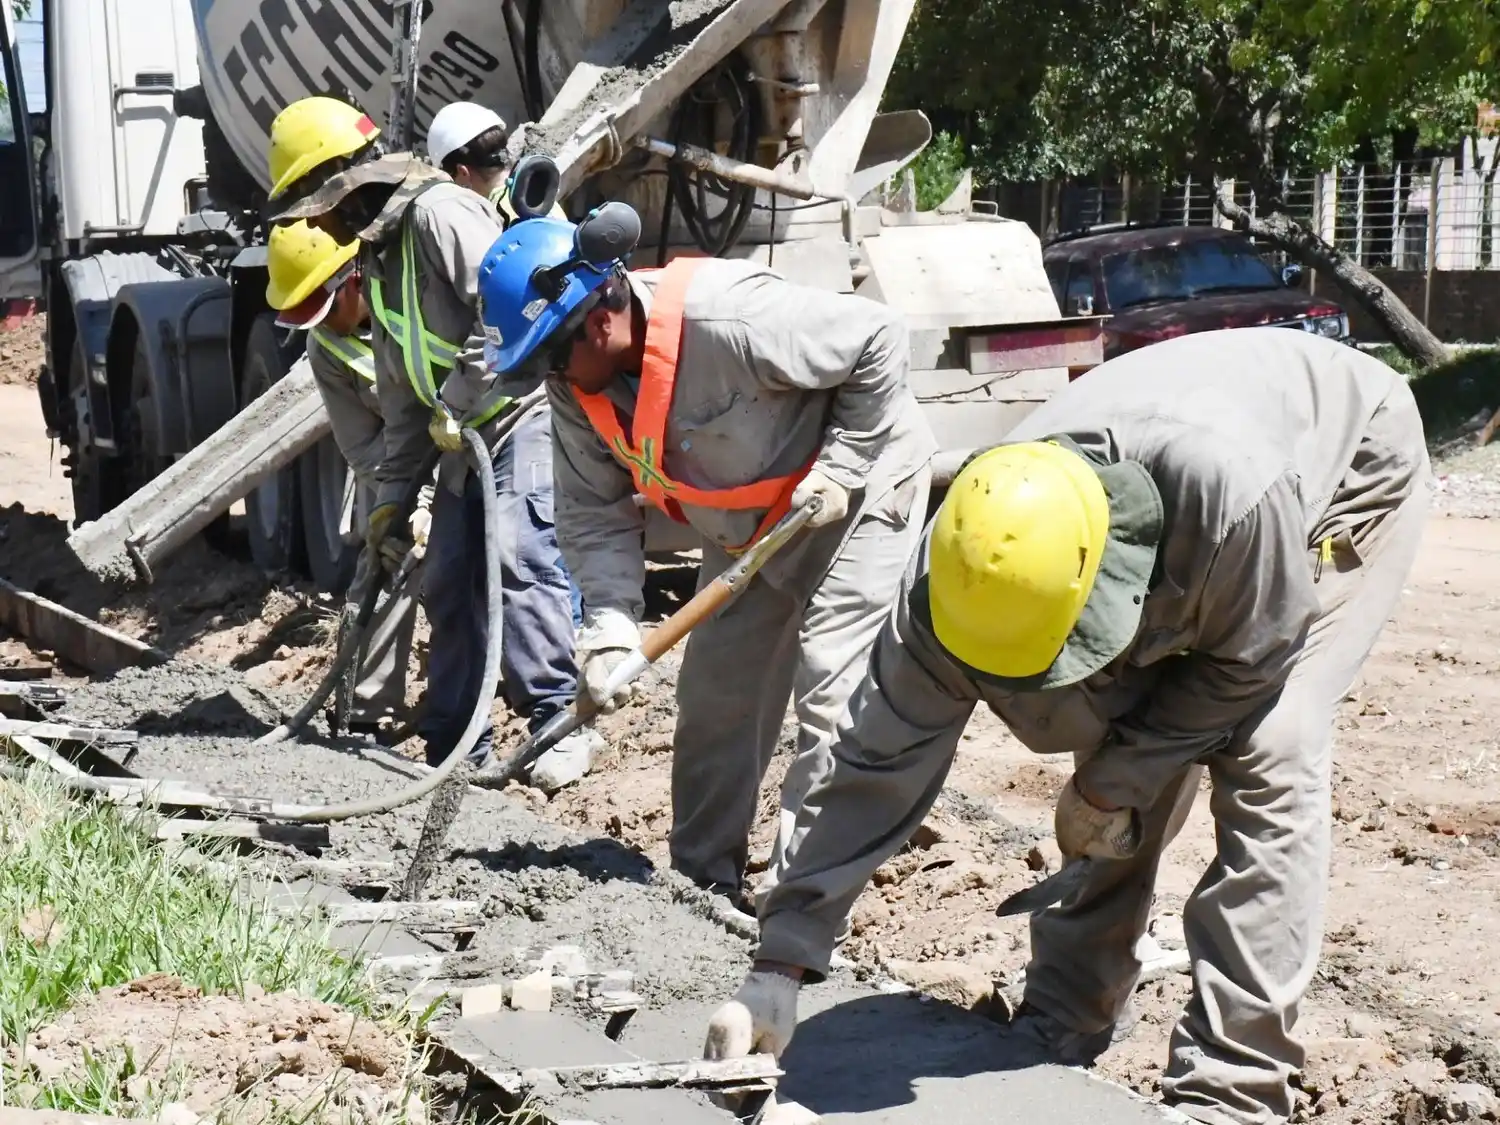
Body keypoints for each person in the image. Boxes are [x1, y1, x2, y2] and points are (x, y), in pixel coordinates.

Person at [702, 328, 1432, 1125]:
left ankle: (1236, 1085)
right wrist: (782, 959)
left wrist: (1111, 777)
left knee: (1270, 748)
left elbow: (1252, 657)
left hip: (1342, 462)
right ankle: (1066, 1015)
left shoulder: (1231, 501)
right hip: (1184, 461)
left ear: (1102, 581)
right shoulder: (960, 571)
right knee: (1122, 750)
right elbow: (875, 760)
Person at [476, 212, 936, 912]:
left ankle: (800, 916)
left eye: (549, 359)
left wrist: (843, 466)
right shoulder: (579, 391)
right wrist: (608, 627)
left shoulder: (730, 316)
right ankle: (700, 889)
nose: (550, 381)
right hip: (749, 519)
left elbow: (878, 337)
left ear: (597, 322)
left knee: (833, 694)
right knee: (717, 697)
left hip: (854, 497)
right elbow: (592, 513)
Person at [266, 96, 597, 790]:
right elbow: (402, 402)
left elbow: (511, 305)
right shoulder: (382, 257)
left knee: (519, 551)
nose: (318, 224)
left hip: (516, 411)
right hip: (461, 435)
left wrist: (459, 398)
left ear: (341, 183)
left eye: (313, 206)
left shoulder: (439, 214)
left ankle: (556, 719)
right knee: (446, 577)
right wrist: (389, 502)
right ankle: (454, 743)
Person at [265, 219, 424, 731]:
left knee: (500, 561)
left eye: (326, 310)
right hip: (404, 464)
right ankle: (363, 711)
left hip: (473, 438)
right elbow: (364, 447)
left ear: (353, 276)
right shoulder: (326, 348)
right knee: (389, 560)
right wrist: (404, 504)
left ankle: (517, 698)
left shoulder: (416, 296)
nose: (324, 326)